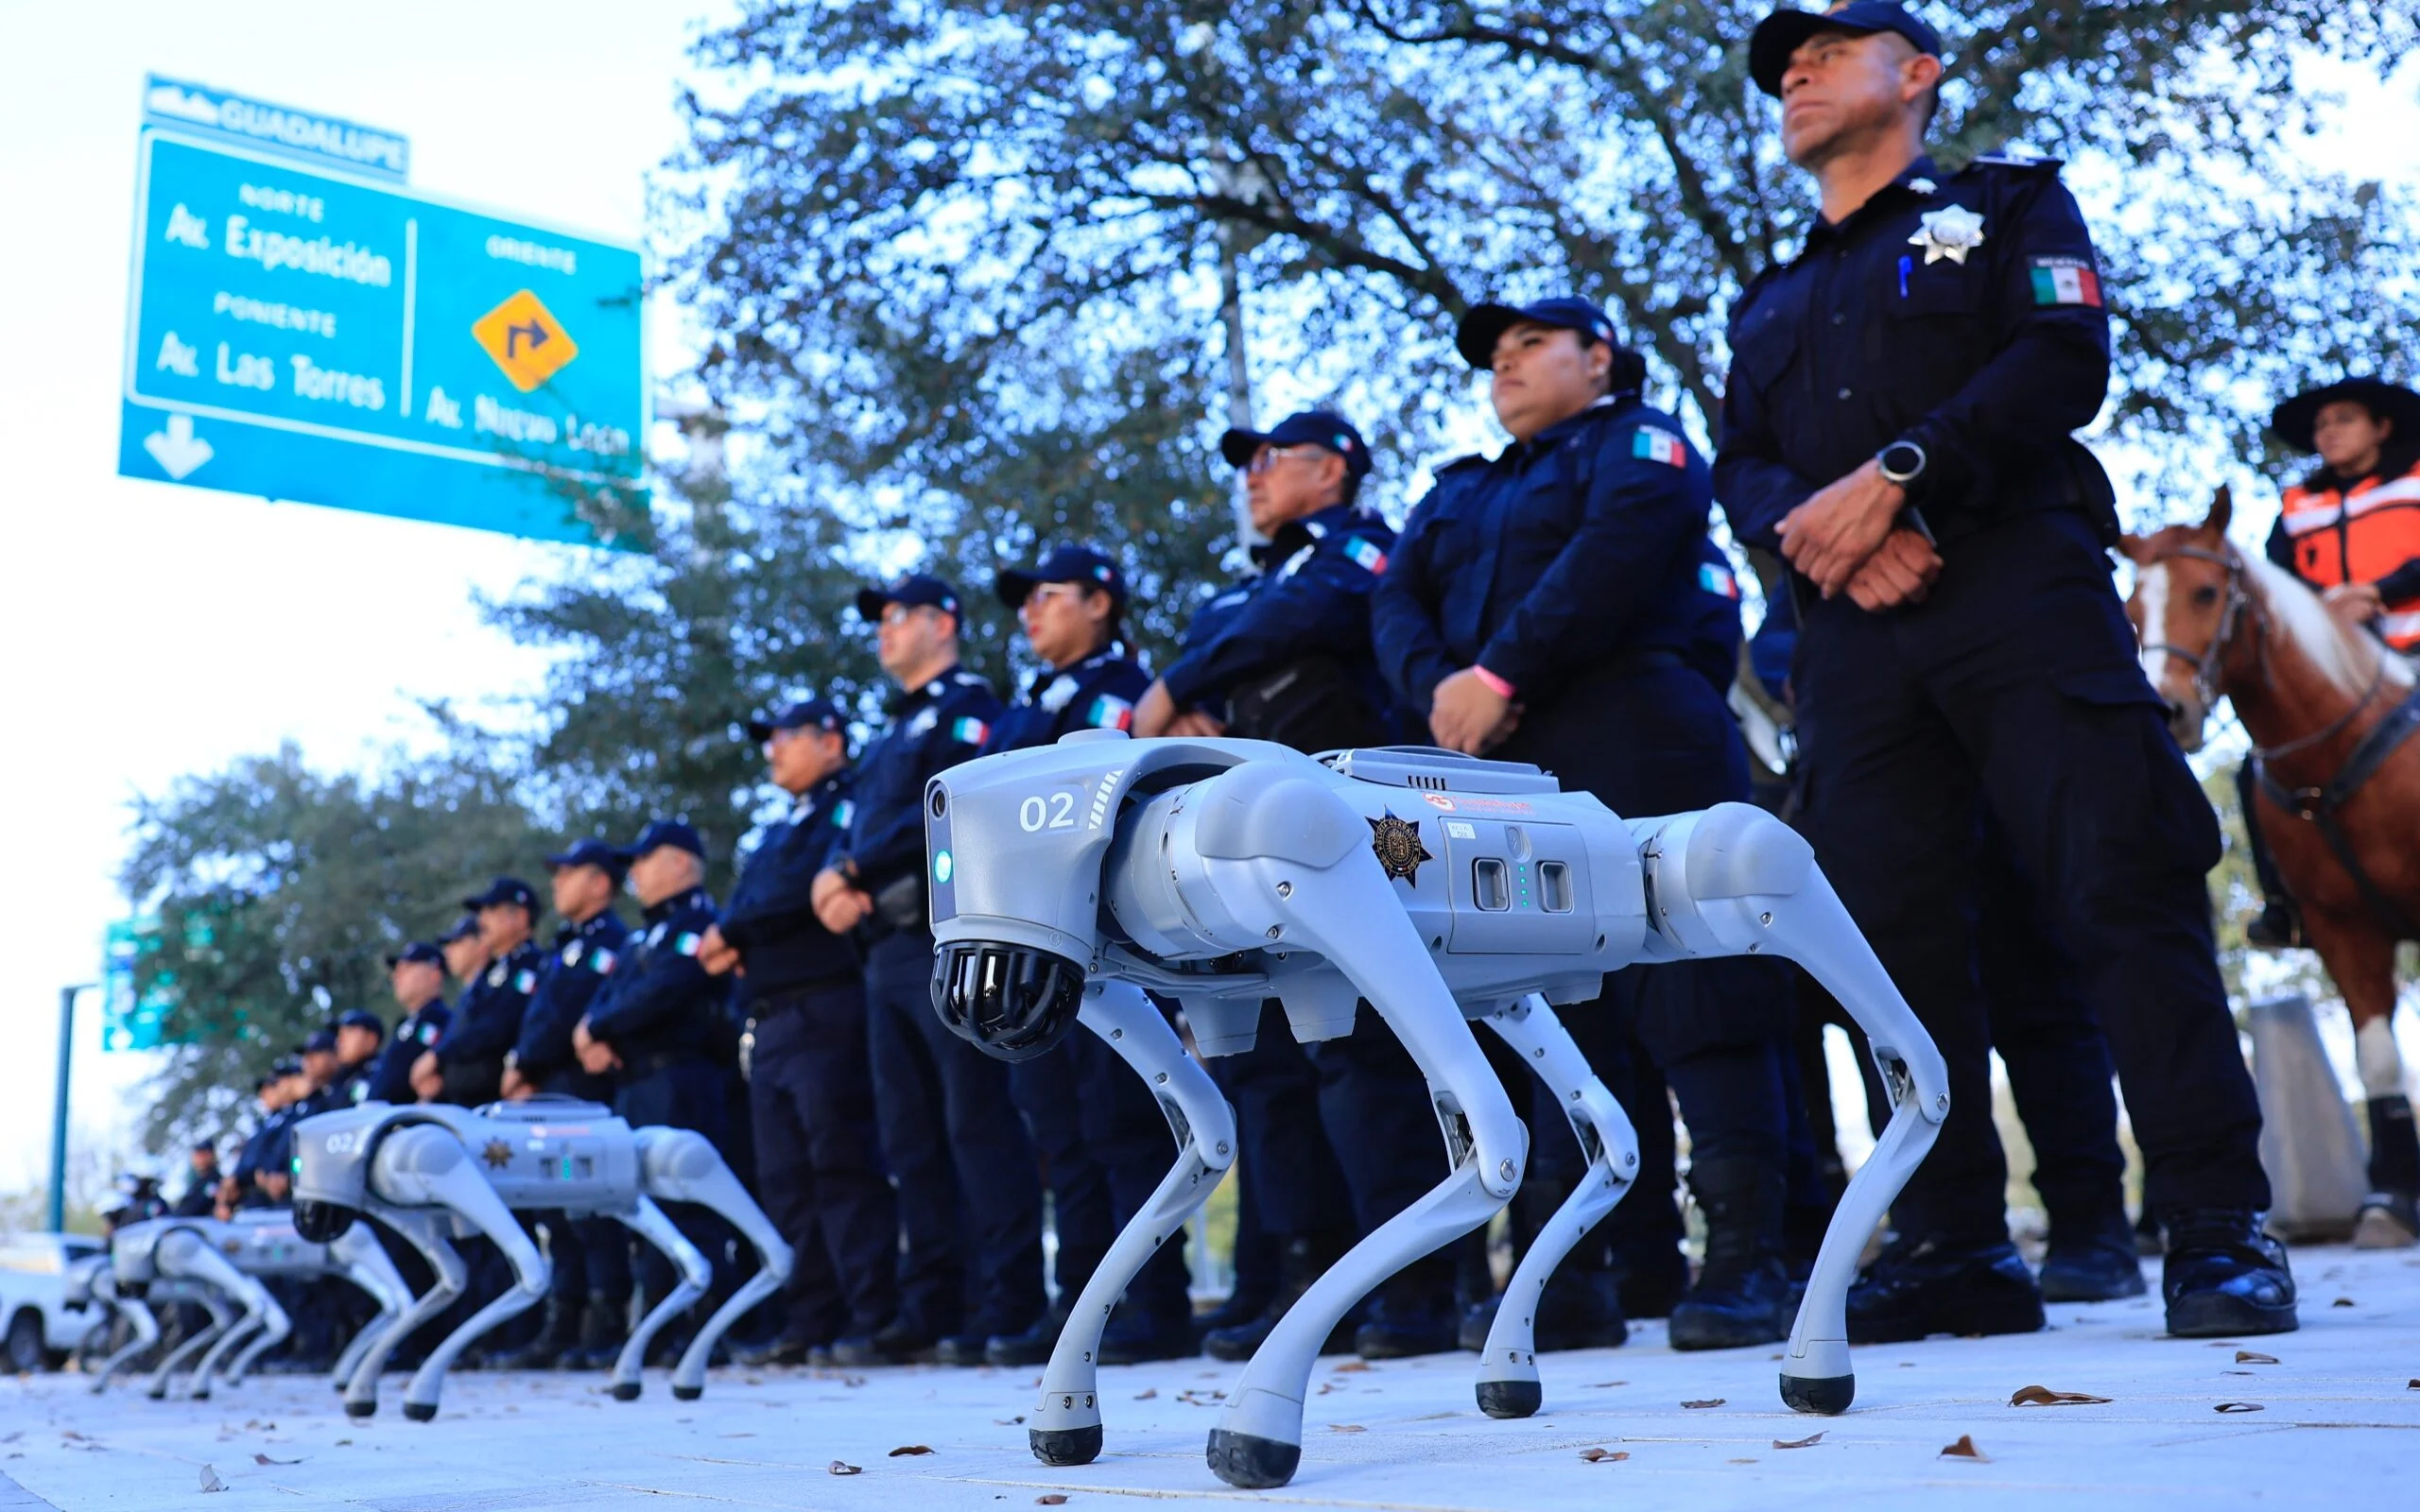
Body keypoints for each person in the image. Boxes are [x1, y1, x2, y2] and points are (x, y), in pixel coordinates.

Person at [1714, 1, 2293, 1337]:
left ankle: (2215, 1227)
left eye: (1824, 49)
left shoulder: (2007, 206)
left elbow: (2061, 359)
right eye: (1779, 65)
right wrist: (1842, 545)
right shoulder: (1771, 296)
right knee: (1892, 937)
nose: (1791, 72)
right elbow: (1744, 459)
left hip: (2020, 594)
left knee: (2120, 888)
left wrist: (1902, 477)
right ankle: (1956, 1241)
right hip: (1854, 643)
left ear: (1916, 74)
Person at [1372, 294, 1800, 1351]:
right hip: (1497, 768)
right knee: (1547, 1001)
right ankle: (1574, 1272)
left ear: (1596, 356)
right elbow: (1392, 603)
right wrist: (1448, 694)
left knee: (1699, 984)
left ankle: (1748, 1260)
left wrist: (1499, 669)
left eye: (1529, 346)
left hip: (1639, 729)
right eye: (1493, 355)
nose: (1503, 367)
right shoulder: (1457, 490)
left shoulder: (1639, 441)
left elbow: (1616, 551)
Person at [813, 573, 1041, 1366]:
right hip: (885, 950)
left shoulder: (967, 708)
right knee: (909, 1138)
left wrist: (850, 872)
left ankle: (1005, 1301)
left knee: (973, 1123)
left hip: (943, 941)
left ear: (943, 623)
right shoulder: (894, 729)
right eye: (878, 618)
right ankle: (935, 1304)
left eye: (897, 616)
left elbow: (958, 808)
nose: (883, 630)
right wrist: (847, 874)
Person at [981, 546, 1197, 1364]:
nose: (1030, 613)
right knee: (1064, 1137)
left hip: (1107, 943)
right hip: (1039, 947)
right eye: (1025, 601)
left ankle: (1153, 1306)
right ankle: (1084, 1305)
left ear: (1100, 603)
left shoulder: (1121, 694)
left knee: (1124, 1129)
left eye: (1048, 596)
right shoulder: (1030, 702)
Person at [705, 697, 899, 1370]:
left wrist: (735, 931)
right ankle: (810, 1318)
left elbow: (796, 900)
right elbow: (755, 902)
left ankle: (869, 1313)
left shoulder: (847, 806)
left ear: (831, 741)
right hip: (773, 1020)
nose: (772, 751)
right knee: (785, 1177)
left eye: (785, 736)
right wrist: (741, 926)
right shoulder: (774, 830)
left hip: (826, 1007)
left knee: (840, 1162)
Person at [2237, 376, 2420, 948]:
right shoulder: (2296, 506)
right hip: (2337, 672)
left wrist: (2378, 591)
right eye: (2321, 425)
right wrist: (2322, 608)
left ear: (2381, 427)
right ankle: (2285, 905)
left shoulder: (2415, 479)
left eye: (2343, 419)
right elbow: (2272, 581)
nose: (2329, 432)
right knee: (2259, 769)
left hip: (2413, 649)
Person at [579, 819, 746, 1361]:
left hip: (683, 1080)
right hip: (637, 1084)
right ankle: (658, 1327)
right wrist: (591, 1029)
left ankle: (702, 1330)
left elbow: (665, 990)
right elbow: (606, 998)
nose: (635, 874)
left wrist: (599, 1029)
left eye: (644, 860)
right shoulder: (641, 936)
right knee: (643, 1205)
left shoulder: (698, 923)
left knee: (688, 1203)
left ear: (679, 862)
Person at [491, 837, 635, 1371]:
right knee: (559, 1214)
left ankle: (605, 1323)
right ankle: (567, 1321)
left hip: (580, 1091)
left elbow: (569, 1013)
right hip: (548, 1090)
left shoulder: (611, 940)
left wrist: (524, 1064)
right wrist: (522, 1064)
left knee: (590, 1210)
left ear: (600, 882)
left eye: (568, 873)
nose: (557, 884)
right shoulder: (567, 944)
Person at [418, 879, 543, 1108]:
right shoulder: (493, 973)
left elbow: (498, 1026)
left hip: (499, 1101)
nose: (482, 920)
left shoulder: (530, 966)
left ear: (521, 917)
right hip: (466, 1100)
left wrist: (440, 1056)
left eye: (492, 910)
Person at [368, 941, 451, 1105]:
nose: (396, 977)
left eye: (406, 969)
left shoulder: (441, 1020)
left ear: (435, 974)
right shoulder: (404, 1024)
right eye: (396, 971)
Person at [330, 1010, 385, 1108]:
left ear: (370, 1039)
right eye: (340, 1034)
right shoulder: (339, 1079)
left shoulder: (383, 1072)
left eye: (348, 1032)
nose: (339, 1041)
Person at [171, 1143, 220, 1218]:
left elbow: (195, 1208)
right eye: (196, 1155)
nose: (198, 1159)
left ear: (211, 1156)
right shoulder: (197, 1182)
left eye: (202, 1155)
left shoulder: (215, 1182)